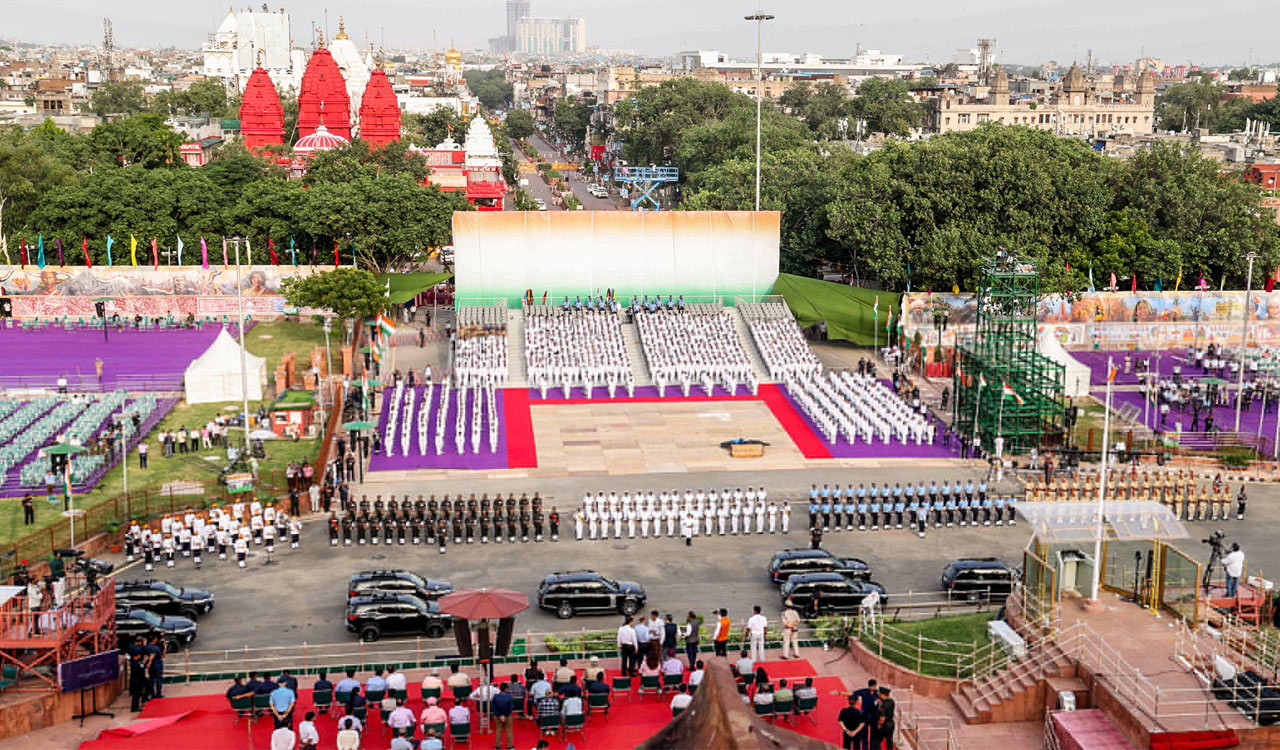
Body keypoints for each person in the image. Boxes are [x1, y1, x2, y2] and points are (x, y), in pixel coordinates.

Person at [492, 682, 515, 750]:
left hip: (498, 716)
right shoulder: (509, 697)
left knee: (498, 731)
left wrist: (499, 715)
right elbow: (510, 707)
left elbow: (493, 707)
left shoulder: (495, 697)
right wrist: (505, 715)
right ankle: (510, 746)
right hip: (507, 716)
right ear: (506, 689)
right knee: (509, 731)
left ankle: (497, 746)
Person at [875, 686, 896, 750]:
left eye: (879, 693)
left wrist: (879, 725)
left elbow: (882, 717)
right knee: (889, 740)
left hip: (885, 725)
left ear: (882, 694)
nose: (878, 694)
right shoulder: (891, 701)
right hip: (891, 723)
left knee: (877, 741)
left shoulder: (884, 704)